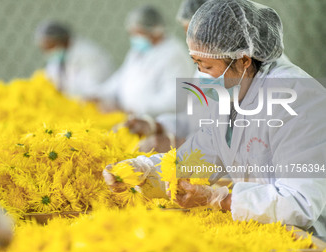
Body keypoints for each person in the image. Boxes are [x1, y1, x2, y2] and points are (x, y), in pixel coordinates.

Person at [103, 0, 326, 239]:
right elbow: (199, 156)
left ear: (243, 60)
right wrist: (144, 170)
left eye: (207, 66)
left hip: (308, 235)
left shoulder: (298, 99)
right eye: (196, 64)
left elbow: (301, 203)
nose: (201, 76)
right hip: (261, 226)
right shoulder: (232, 94)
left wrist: (220, 198)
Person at [123, 1, 207, 152]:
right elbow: (193, 119)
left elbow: (229, 140)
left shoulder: (238, 77)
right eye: (188, 35)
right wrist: (156, 126)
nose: (192, 44)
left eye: (198, 37)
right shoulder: (204, 67)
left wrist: (177, 143)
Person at [98, 5, 193, 127]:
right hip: (132, 120)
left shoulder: (174, 55)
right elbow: (121, 77)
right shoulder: (137, 51)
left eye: (139, 33)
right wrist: (99, 94)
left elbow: (175, 101)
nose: (135, 38)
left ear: (156, 31)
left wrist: (137, 109)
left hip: (159, 126)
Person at [35, 21, 114, 100]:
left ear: (64, 40)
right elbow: (52, 80)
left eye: (50, 46)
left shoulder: (90, 55)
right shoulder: (57, 58)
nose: (48, 52)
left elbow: (93, 90)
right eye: (44, 48)